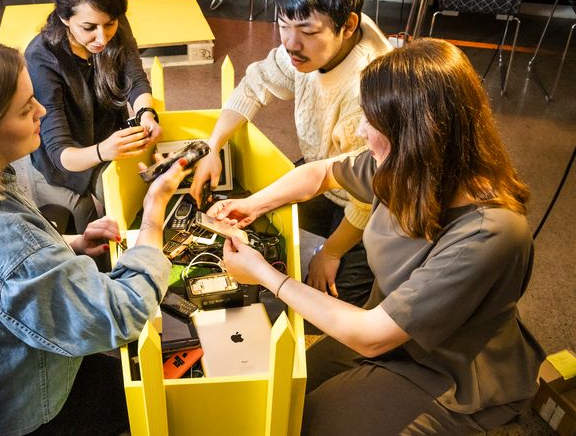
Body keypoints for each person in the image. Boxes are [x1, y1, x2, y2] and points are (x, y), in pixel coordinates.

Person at [209, 39, 544, 434]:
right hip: (392, 331)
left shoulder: (490, 233)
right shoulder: (410, 168)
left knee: (309, 422)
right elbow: (320, 174)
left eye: (373, 121)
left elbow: (370, 337)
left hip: (451, 370)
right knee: (287, 388)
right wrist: (254, 205)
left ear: (418, 134)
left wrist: (265, 275)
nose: (362, 130)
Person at [0, 37, 187, 436]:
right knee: (142, 402)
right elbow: (122, 313)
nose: (42, 111)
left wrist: (67, 245)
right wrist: (153, 213)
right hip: (17, 408)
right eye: (26, 108)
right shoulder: (1, 242)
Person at [190, 0, 393, 307]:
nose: (290, 43)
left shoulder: (366, 87)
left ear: (348, 25)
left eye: (306, 31)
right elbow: (255, 85)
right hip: (323, 171)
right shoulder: (311, 45)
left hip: (372, 199)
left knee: (335, 296)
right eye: (284, 25)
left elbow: (365, 195)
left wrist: (330, 254)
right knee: (257, 228)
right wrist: (212, 146)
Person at [23, 0, 162, 233]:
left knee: (130, 198)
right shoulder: (41, 57)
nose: (102, 38)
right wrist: (103, 150)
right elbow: (61, 152)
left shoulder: (112, 22)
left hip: (108, 140)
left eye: (109, 24)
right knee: (88, 220)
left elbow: (135, 78)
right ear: (64, 17)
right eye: (89, 28)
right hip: (67, 161)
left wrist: (146, 112)